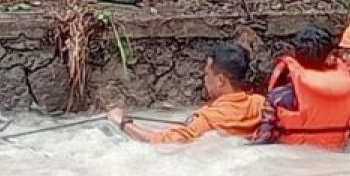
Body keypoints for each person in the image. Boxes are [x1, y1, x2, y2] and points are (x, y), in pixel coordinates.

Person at [106, 42, 264, 143]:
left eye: (207, 75)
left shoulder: (208, 121)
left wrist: (121, 122)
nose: (204, 80)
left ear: (221, 80)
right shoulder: (261, 104)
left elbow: (158, 141)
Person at [253, 25, 350, 149]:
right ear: (330, 58)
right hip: (339, 160)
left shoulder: (279, 98)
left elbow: (264, 138)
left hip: (293, 162)